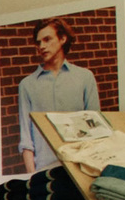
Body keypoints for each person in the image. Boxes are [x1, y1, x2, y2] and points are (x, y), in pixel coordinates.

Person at [16, 17, 100, 173]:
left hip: (80, 168)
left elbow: (95, 130)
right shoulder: (27, 85)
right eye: (38, 42)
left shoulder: (84, 77)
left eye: (47, 39)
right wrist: (32, 177)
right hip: (44, 170)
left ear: (62, 39)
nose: (42, 46)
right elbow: (26, 138)